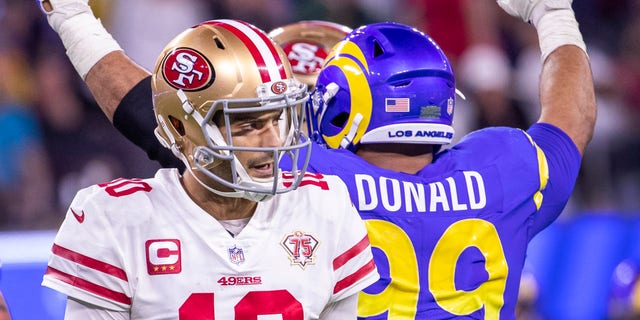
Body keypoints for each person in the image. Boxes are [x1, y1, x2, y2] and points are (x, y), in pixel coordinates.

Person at [39, 0, 596, 318]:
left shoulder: (312, 177)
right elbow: (571, 118)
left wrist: (70, 19)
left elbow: (155, 110)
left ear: (344, 100)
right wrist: (552, 13)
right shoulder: (504, 168)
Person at [39, 13, 379, 319]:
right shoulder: (117, 219)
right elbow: (137, 107)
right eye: (247, 126)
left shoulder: (324, 205)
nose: (274, 142)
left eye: (280, 117)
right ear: (179, 127)